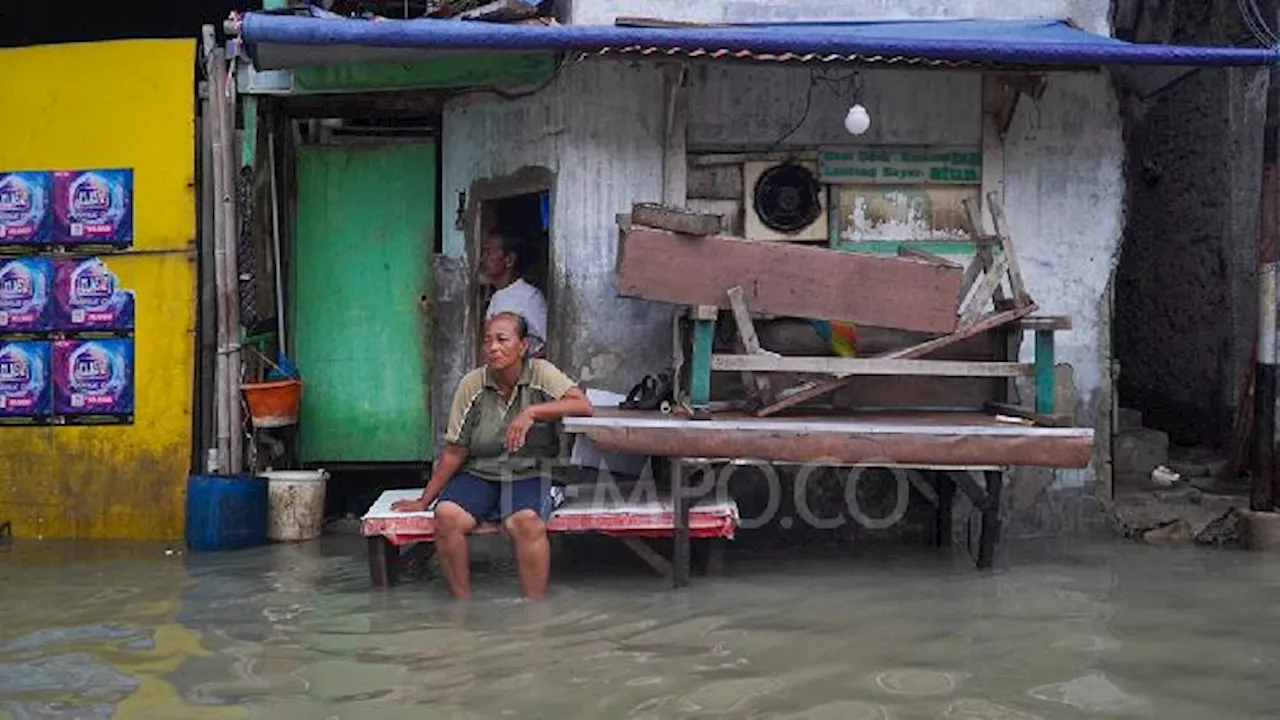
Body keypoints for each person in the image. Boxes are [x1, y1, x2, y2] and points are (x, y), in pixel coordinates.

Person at [390, 312, 592, 599]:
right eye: (488, 341)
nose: (493, 348)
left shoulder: (541, 373)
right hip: (480, 472)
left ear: (523, 346)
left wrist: (531, 412)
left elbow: (583, 405)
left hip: (532, 472)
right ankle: (461, 607)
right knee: (447, 516)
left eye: (502, 340)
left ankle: (535, 614)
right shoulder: (472, 385)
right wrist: (424, 499)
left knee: (524, 521)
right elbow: (455, 451)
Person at [480, 231, 548, 358]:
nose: (483, 259)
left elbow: (549, 345)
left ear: (509, 260)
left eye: (489, 253)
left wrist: (522, 370)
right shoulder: (496, 297)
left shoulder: (529, 297)